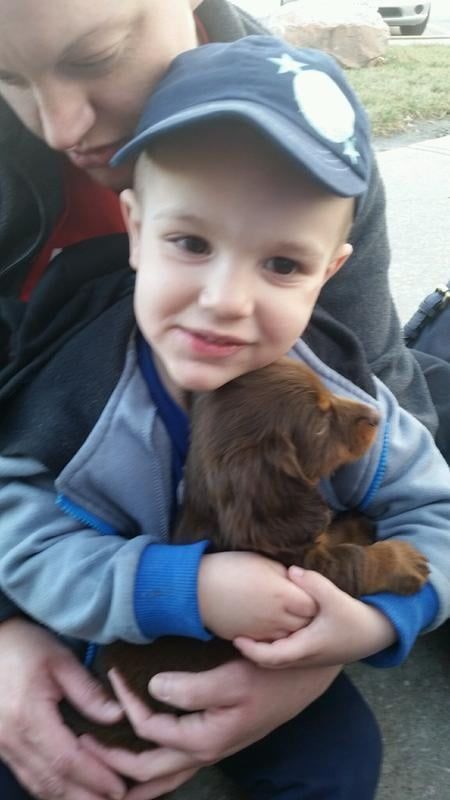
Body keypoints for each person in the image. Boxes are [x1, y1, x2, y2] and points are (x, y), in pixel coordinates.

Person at [0, 1, 446, 798]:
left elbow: (435, 510)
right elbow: (22, 537)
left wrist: (375, 621)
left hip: (275, 653)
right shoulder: (82, 393)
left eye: (282, 264)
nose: (225, 301)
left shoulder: (345, 392)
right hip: (102, 654)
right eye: (191, 243)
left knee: (342, 761)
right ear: (135, 231)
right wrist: (177, 588)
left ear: (329, 272)